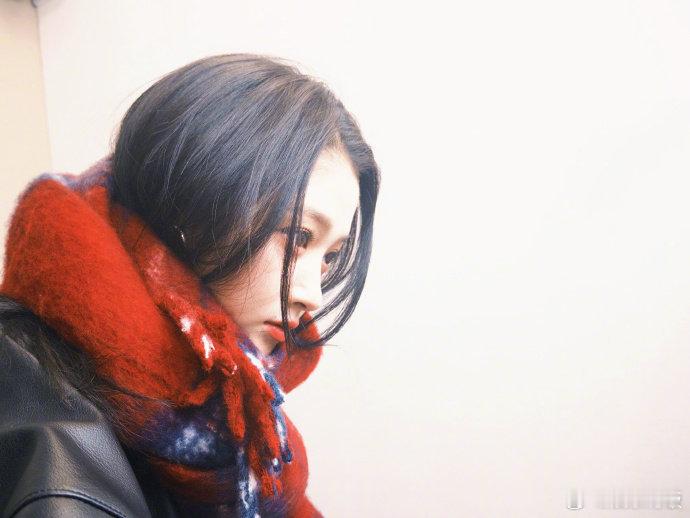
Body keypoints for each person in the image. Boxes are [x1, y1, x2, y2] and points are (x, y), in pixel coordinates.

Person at [0, 54, 380, 517]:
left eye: (331, 257)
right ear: (197, 204)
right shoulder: (51, 452)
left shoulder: (224, 420)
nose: (312, 296)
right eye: (299, 236)